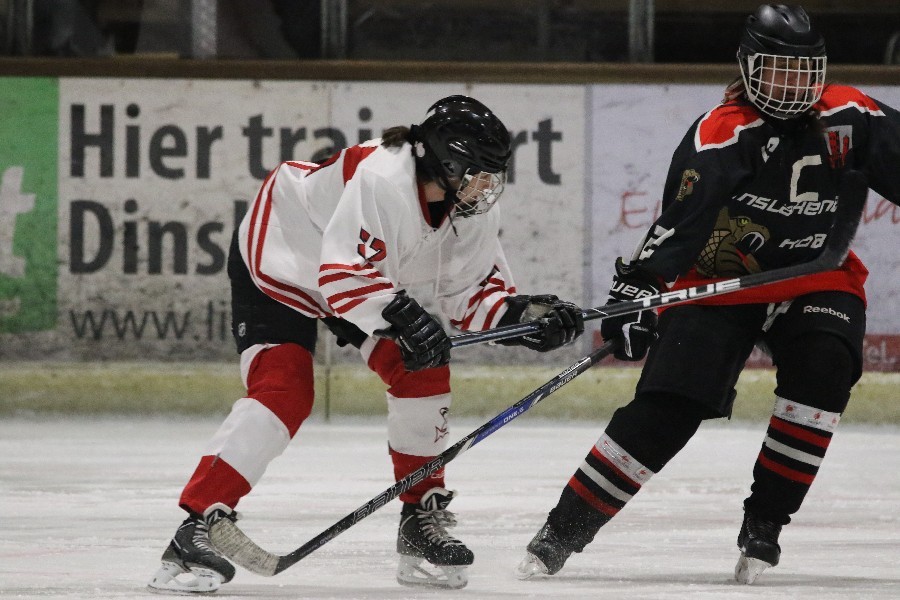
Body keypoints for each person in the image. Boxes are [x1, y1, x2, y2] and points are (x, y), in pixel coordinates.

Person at [516, 4, 900, 586]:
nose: (793, 86)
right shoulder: (722, 133)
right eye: (778, 70)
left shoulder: (853, 113)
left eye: (805, 71)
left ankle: (765, 523)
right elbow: (680, 224)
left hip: (819, 276)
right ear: (748, 68)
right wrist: (638, 291)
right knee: (670, 405)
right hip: (720, 279)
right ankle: (564, 529)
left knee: (825, 367)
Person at [147, 94, 584, 593]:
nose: (486, 187)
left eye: (493, 175)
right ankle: (195, 526)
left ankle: (421, 517)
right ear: (445, 162)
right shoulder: (383, 178)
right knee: (284, 390)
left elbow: (470, 295)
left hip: (355, 278)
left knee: (423, 366)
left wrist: (525, 318)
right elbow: (341, 275)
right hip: (285, 255)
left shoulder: (468, 206)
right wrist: (402, 315)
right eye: (477, 173)